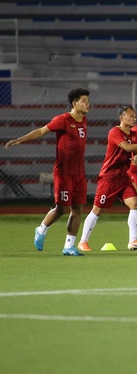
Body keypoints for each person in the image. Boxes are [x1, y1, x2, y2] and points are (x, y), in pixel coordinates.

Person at [4, 88, 90, 256]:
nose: (88, 104)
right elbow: (42, 131)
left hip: (79, 173)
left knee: (78, 208)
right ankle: (41, 229)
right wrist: (20, 140)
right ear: (74, 103)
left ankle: (69, 246)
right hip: (64, 172)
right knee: (62, 209)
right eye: (84, 101)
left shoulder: (84, 120)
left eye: (88, 101)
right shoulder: (63, 119)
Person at [79, 105, 137, 251]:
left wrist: (135, 157)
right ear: (122, 117)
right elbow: (127, 148)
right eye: (131, 116)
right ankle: (83, 241)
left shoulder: (133, 134)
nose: (134, 118)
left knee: (135, 204)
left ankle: (133, 241)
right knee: (97, 210)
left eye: (135, 116)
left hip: (123, 177)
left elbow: (133, 150)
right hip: (109, 177)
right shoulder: (114, 132)